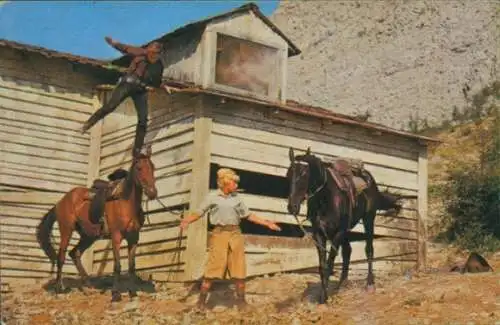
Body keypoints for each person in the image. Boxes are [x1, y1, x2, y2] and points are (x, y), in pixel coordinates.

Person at [180, 168, 282, 311]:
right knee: (213, 267)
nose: (236, 185)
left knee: (239, 268)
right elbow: (199, 212)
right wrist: (187, 221)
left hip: (235, 234)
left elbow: (248, 215)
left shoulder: (237, 198)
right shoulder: (213, 197)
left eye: (235, 182)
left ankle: (241, 302)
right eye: (233, 182)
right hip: (219, 235)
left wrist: (267, 223)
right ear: (225, 183)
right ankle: (201, 303)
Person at [81, 36, 172, 158]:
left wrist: (164, 86)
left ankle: (137, 150)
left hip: (140, 90)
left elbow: (156, 82)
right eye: (150, 54)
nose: (151, 57)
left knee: (143, 120)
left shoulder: (158, 66)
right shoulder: (140, 53)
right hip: (127, 84)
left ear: (158, 55)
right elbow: (125, 48)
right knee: (110, 106)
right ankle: (89, 123)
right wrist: (113, 43)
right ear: (148, 51)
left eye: (154, 55)